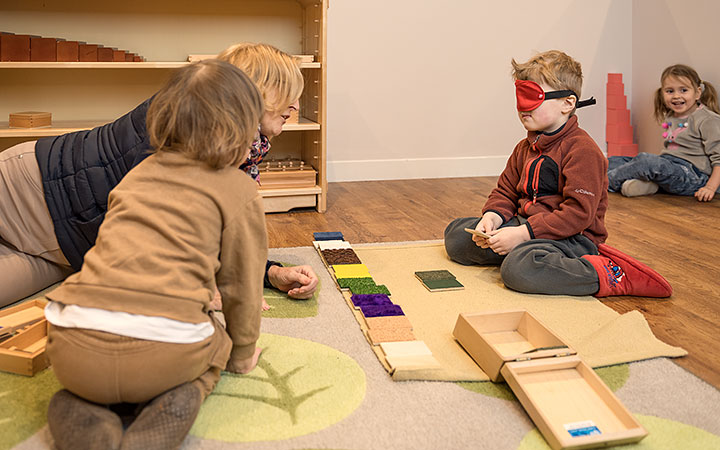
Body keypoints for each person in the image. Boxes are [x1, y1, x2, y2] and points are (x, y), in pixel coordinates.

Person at [45, 59, 266, 450]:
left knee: (83, 383)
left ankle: (82, 406)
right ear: (243, 129)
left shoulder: (138, 172)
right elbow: (241, 283)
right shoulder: (238, 188)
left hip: (72, 345)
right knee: (218, 339)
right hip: (165, 355)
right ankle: (183, 395)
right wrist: (242, 352)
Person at [0, 43, 317, 309]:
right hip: (29, 190)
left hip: (69, 244)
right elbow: (158, 234)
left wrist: (270, 273)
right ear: (254, 91)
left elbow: (216, 234)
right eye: (288, 94)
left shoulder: (241, 147)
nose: (296, 106)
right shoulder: (186, 121)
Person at [444, 50, 672, 298]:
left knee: (519, 270)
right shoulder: (524, 148)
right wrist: (492, 218)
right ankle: (524, 254)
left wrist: (522, 235)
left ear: (568, 103)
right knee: (457, 236)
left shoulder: (583, 150)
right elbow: (506, 191)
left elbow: (578, 214)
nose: (522, 107)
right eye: (520, 96)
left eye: (533, 98)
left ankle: (606, 274)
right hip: (527, 227)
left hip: (571, 238)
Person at [608, 64, 720, 201]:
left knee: (646, 161)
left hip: (693, 175)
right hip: (670, 166)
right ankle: (651, 185)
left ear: (697, 93)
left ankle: (605, 183)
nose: (676, 96)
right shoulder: (672, 115)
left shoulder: (707, 119)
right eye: (670, 91)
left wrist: (710, 188)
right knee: (613, 161)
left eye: (684, 90)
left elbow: (719, 159)